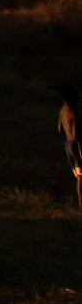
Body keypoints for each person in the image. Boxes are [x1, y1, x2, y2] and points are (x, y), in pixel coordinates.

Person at [58, 82, 82, 210]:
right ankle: (81, 204)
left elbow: (60, 130)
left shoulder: (62, 111)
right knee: (81, 179)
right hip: (77, 147)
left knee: (78, 176)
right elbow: (76, 134)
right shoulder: (74, 113)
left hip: (68, 146)